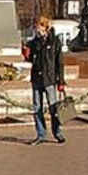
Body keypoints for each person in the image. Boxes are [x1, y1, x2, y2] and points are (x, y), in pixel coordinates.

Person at [25, 15, 66, 145]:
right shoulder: (34, 42)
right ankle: (41, 134)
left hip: (50, 79)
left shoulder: (54, 42)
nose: (37, 29)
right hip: (37, 78)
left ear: (45, 27)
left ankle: (57, 132)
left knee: (53, 107)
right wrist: (27, 55)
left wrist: (61, 81)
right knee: (37, 108)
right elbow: (32, 59)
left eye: (39, 26)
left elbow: (59, 63)